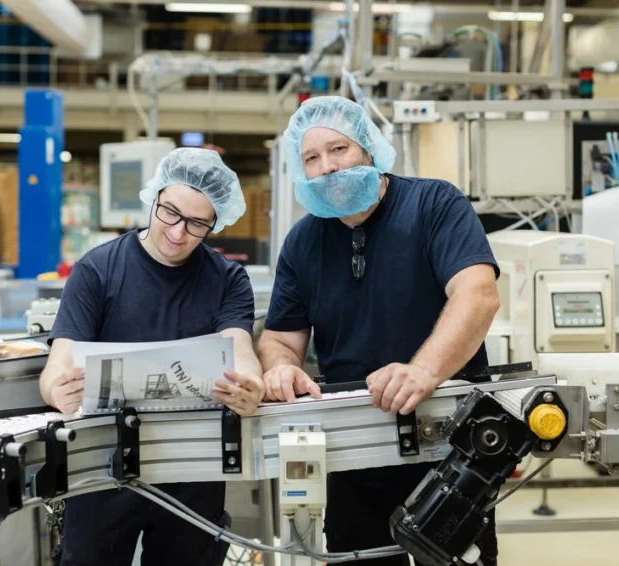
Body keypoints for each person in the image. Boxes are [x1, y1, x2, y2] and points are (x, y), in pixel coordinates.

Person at [257, 96, 502, 565]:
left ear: (368, 148)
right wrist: (281, 369)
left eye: (339, 149)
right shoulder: (304, 240)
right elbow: (281, 338)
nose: (327, 167)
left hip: (448, 443)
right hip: (355, 450)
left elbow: (478, 295)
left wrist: (423, 371)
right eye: (312, 158)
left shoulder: (434, 204)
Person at [39, 147, 266, 566]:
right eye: (170, 213)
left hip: (193, 467)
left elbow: (240, 348)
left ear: (215, 223)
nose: (178, 232)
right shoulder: (97, 271)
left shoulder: (227, 279)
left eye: (197, 223)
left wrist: (252, 385)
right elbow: (58, 363)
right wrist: (58, 389)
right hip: (103, 465)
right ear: (154, 197)